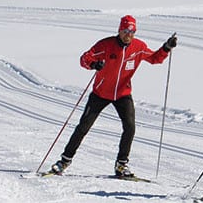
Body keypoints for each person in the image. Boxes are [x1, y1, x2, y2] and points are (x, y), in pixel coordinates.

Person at [50, 15, 177, 177]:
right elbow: (85, 58)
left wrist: (166, 47)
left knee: (130, 127)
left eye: (132, 31)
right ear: (119, 30)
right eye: (125, 31)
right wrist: (94, 64)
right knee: (83, 127)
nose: (128, 35)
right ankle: (64, 161)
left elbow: (154, 59)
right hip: (100, 93)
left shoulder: (138, 46)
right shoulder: (106, 44)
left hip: (123, 94)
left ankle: (121, 165)